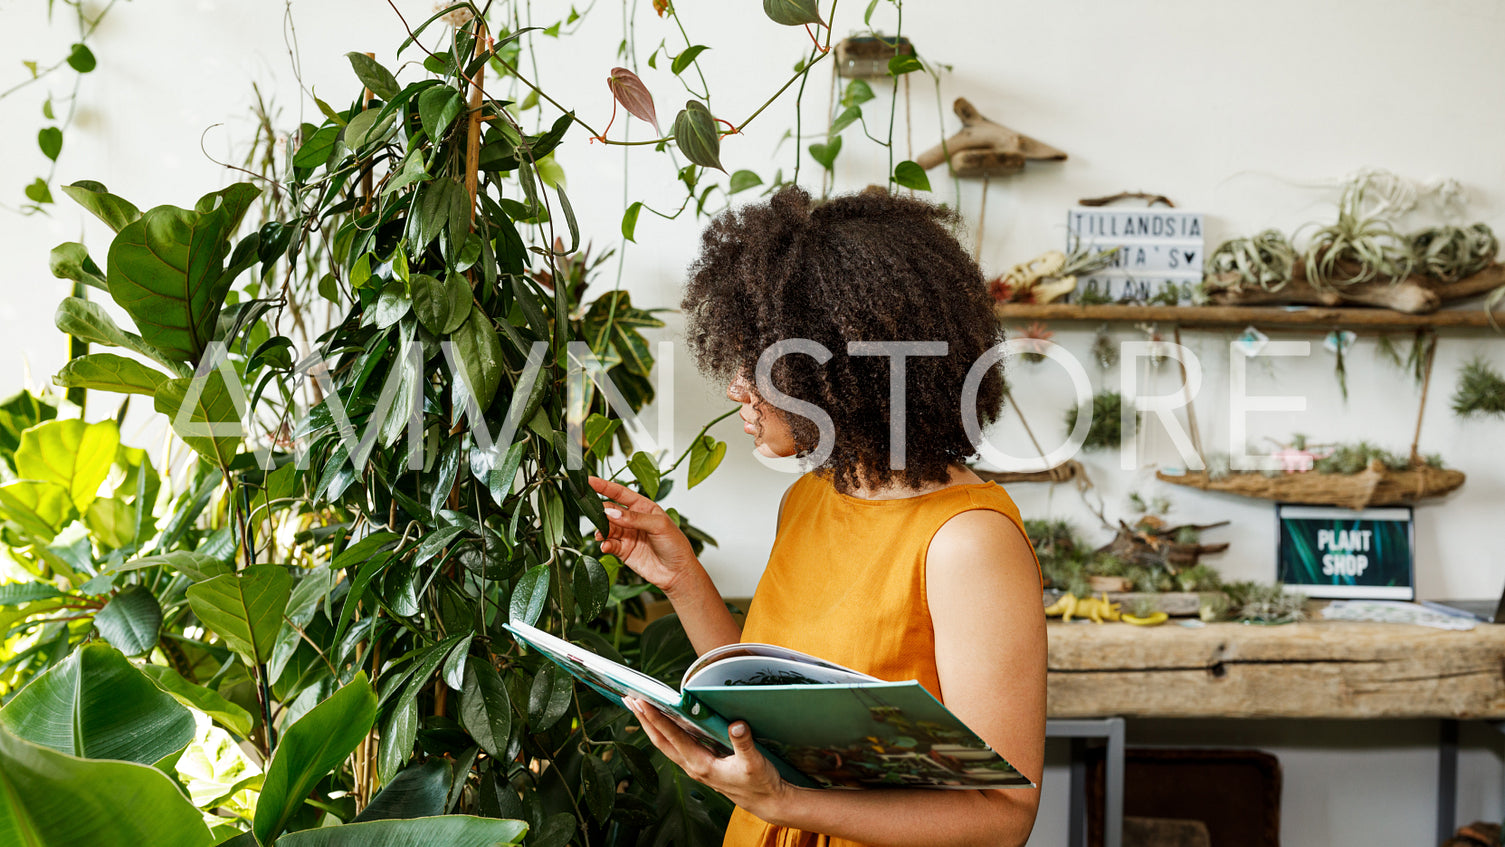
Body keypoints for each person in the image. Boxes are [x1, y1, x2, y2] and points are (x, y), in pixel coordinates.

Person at [588, 185, 1045, 847]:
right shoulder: (808, 498)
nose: (735, 387)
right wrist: (681, 577)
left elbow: (1003, 820)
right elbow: (772, 707)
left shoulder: (966, 541)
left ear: (845, 372)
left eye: (761, 365)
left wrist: (783, 801)